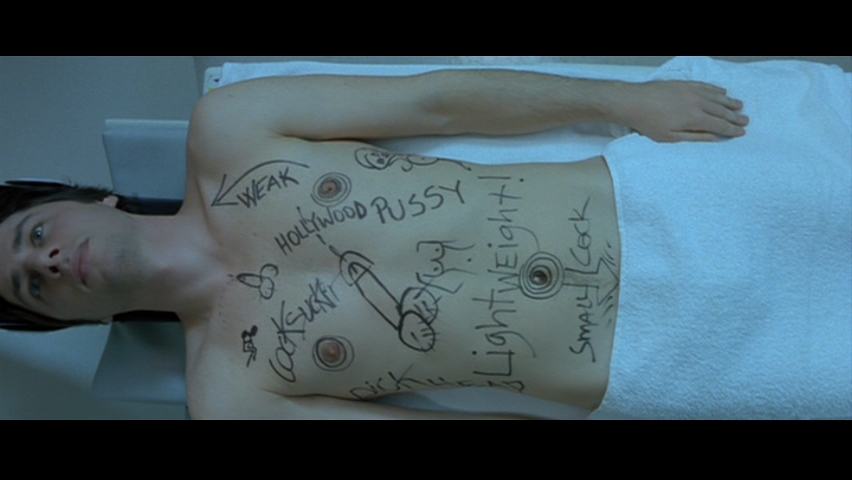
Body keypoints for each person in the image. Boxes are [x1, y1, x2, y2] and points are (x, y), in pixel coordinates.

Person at [1, 61, 847, 419]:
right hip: (672, 358)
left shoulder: (231, 130)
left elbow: (437, 101)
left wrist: (623, 101)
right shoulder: (228, 397)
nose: (46, 260)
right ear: (72, 319)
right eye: (30, 284)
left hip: (668, 207)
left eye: (33, 235)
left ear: (87, 199)